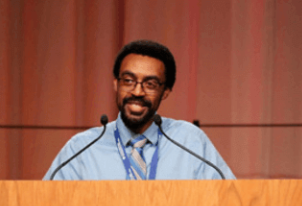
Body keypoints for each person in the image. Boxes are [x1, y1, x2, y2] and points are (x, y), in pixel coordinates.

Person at [44, 40, 235, 180]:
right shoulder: (81, 148)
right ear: (116, 84)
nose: (137, 91)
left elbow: (229, 203)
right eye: (128, 81)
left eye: (150, 84)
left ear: (165, 91)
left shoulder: (190, 141)